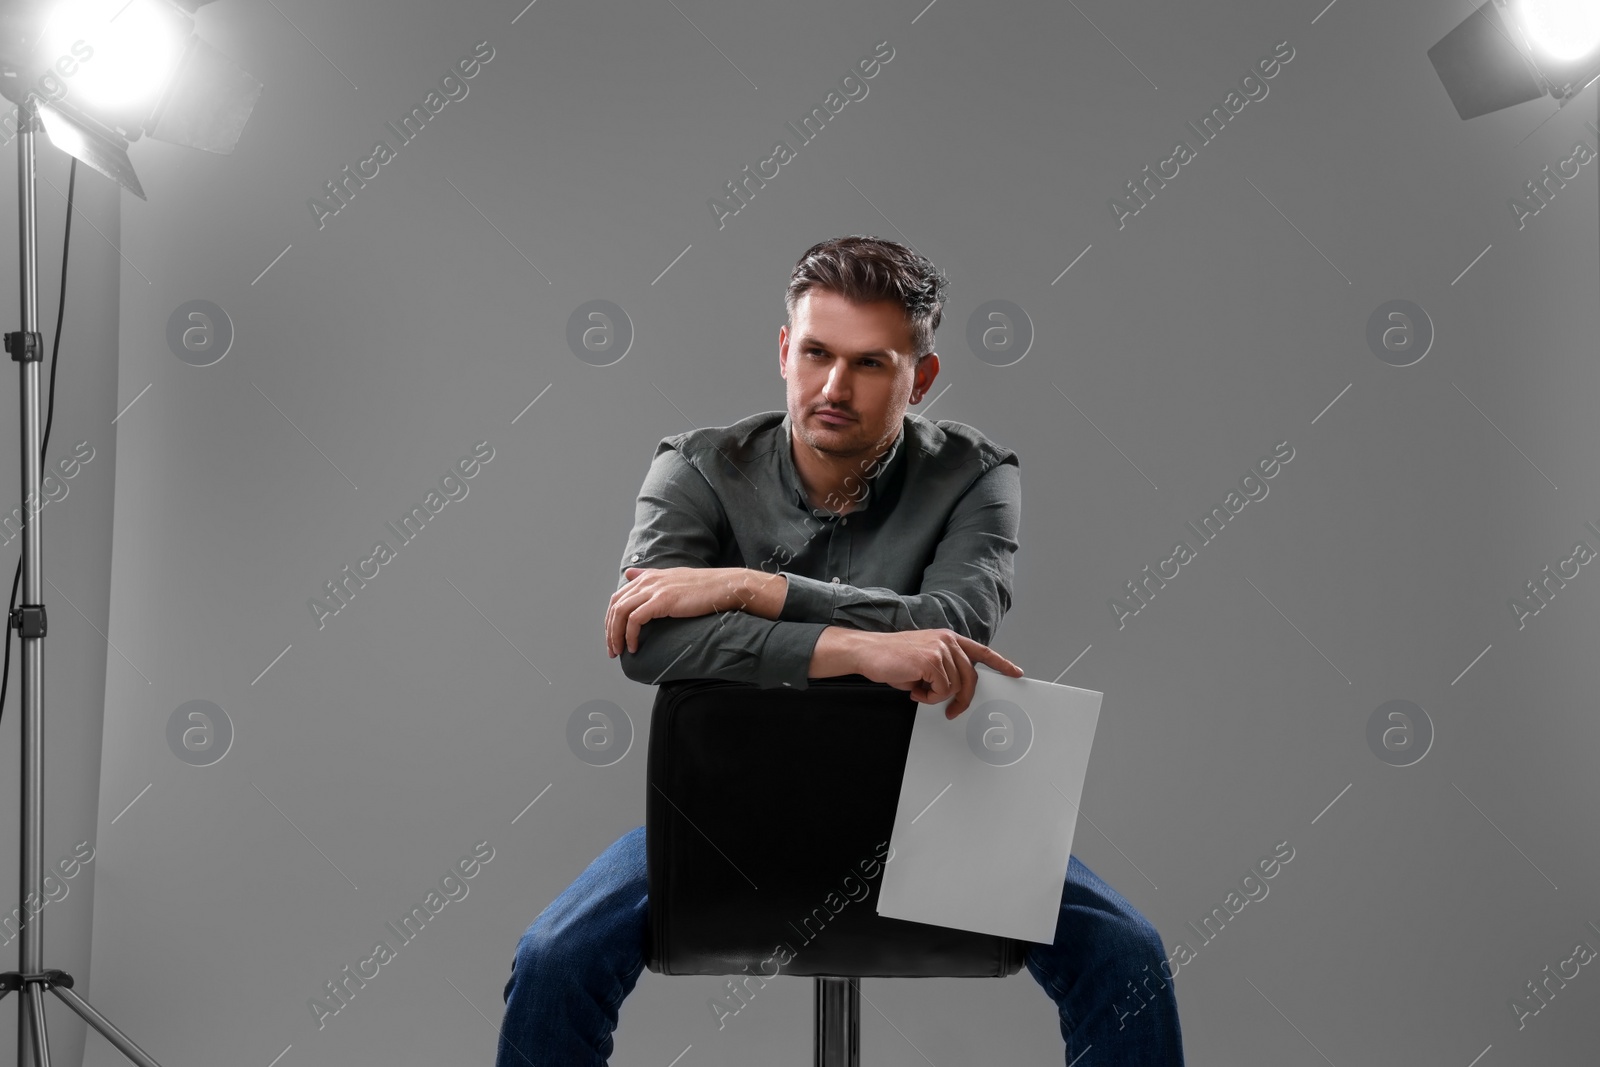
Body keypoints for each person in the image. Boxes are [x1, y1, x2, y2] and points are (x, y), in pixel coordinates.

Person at [495, 235, 1186, 1066]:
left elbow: (955, 626)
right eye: (816, 353)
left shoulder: (977, 474)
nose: (832, 386)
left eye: (869, 363)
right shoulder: (695, 469)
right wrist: (867, 651)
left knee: (1130, 959)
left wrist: (755, 589)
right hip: (731, 798)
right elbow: (649, 644)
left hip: (942, 789)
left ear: (919, 378)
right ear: (785, 350)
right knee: (551, 960)